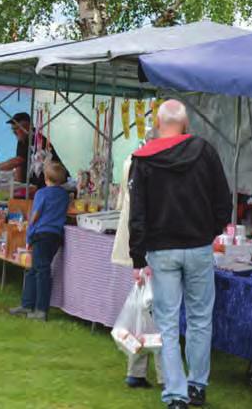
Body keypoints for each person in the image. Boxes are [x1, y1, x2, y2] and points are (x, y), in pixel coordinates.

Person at [129, 100, 232, 409]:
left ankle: (176, 393)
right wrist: (209, 231)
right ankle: (197, 386)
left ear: (159, 125)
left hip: (162, 251)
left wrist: (137, 258)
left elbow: (138, 214)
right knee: (201, 319)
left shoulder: (144, 159)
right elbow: (223, 200)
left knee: (169, 324)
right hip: (199, 247)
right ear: (186, 126)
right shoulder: (206, 151)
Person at [111, 128, 163, 389]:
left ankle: (137, 370)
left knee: (144, 312)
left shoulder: (131, 161)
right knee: (157, 314)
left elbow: (126, 203)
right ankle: (166, 376)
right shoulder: (151, 167)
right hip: (149, 246)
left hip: (137, 246)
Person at [9, 161, 70, 321]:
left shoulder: (41, 194)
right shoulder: (64, 195)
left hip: (41, 234)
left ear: (45, 177)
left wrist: (29, 236)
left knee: (41, 270)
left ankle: (40, 309)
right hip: (55, 236)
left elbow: (34, 216)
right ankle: (27, 303)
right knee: (34, 269)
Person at [0, 112, 62, 187]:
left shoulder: (35, 138)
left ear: (27, 126)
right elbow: (20, 165)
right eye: (13, 129)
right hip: (38, 184)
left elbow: (18, 161)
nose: (14, 132)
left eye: (17, 128)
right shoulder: (22, 140)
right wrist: (19, 185)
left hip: (53, 183)